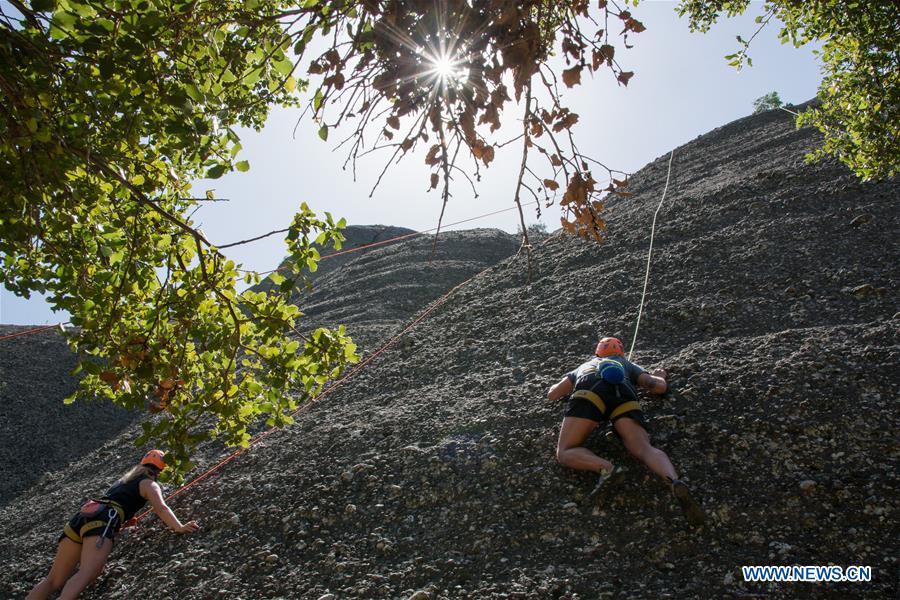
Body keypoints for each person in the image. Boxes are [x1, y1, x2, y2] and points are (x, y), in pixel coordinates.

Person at [547, 336, 705, 526]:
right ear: (620, 352)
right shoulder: (627, 365)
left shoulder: (586, 364)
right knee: (644, 449)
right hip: (625, 396)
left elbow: (553, 394)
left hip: (589, 393)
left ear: (598, 352)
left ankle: (607, 468)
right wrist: (661, 376)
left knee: (565, 451)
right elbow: (657, 387)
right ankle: (674, 481)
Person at [27, 450, 200, 599]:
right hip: (103, 520)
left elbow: (117, 502)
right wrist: (179, 526)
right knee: (88, 572)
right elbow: (161, 508)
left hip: (82, 517)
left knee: (53, 580)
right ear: (161, 470)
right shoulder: (149, 483)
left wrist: (122, 520)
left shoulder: (123, 481)